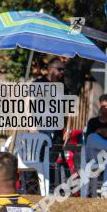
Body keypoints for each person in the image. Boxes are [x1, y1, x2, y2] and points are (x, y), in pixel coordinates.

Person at [33, 57, 73, 186]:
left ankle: (48, 187)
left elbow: (69, 110)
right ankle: (35, 186)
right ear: (50, 69)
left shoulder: (64, 87)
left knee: (51, 159)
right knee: (37, 158)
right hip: (40, 128)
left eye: (63, 69)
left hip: (57, 131)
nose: (62, 72)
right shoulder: (38, 84)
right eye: (59, 69)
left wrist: (68, 129)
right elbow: (28, 103)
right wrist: (31, 125)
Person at [83, 94, 107, 198]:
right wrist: (98, 132)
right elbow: (88, 141)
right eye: (103, 106)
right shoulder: (93, 122)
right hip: (94, 156)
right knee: (92, 136)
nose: (105, 109)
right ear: (100, 107)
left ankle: (106, 190)